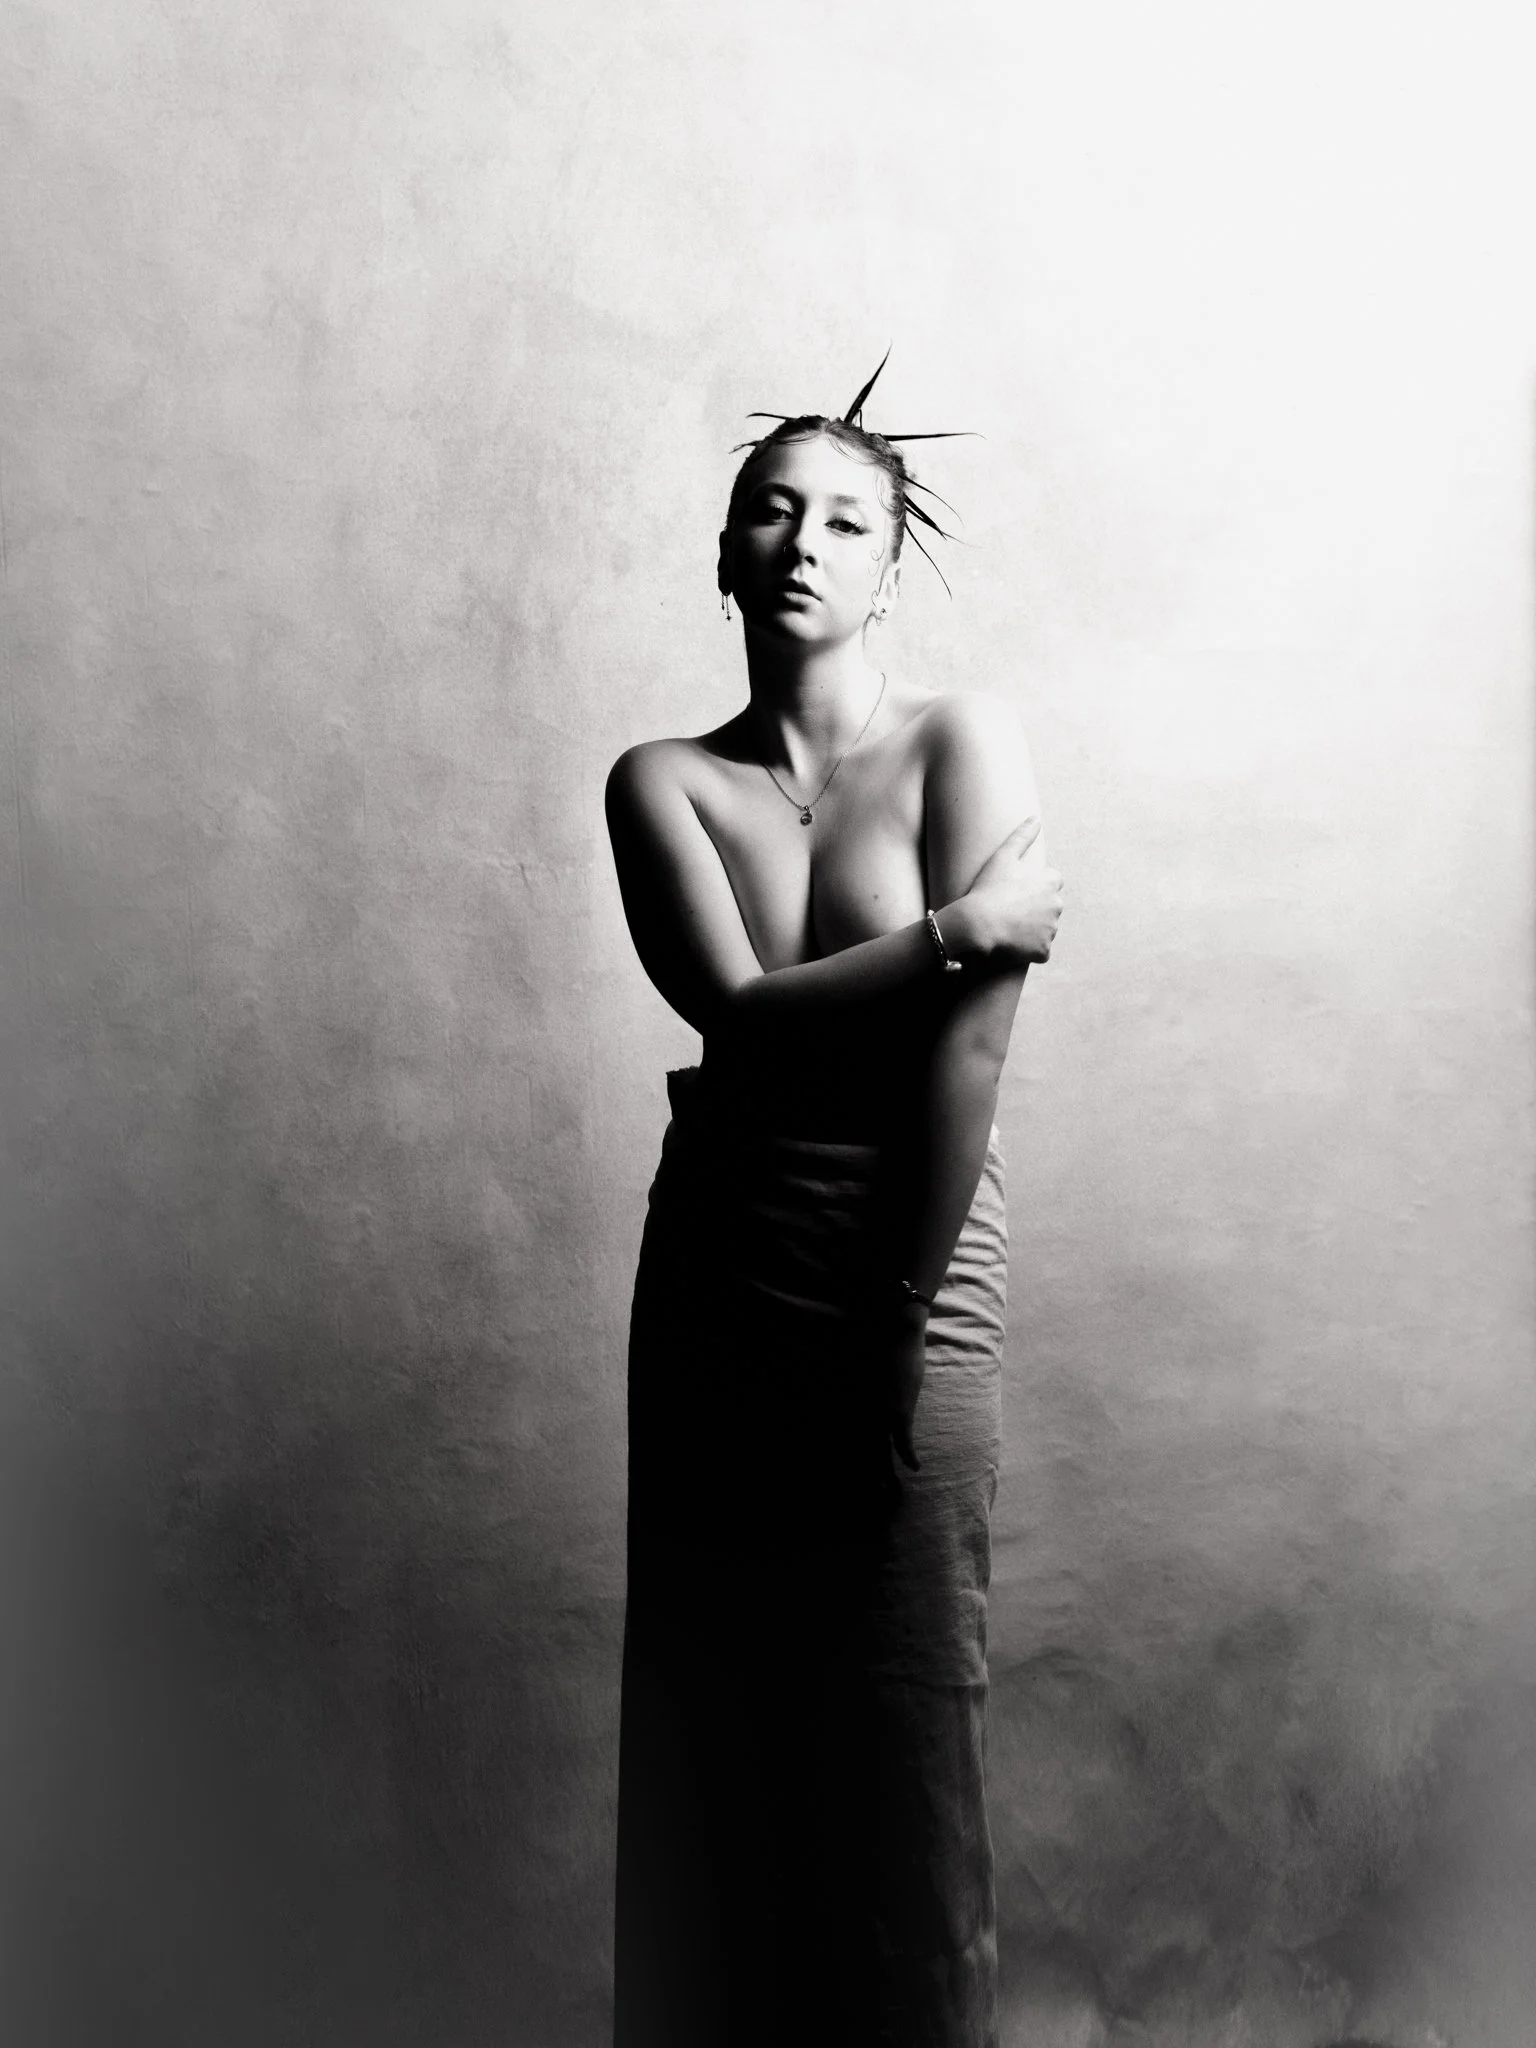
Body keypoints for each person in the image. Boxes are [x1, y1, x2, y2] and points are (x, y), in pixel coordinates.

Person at [605, 363, 1064, 2048]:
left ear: (891, 569)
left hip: (917, 1261)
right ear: (727, 553)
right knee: (719, 1712)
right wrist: (957, 928)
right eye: (777, 510)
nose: (808, 539)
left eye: (849, 518)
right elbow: (732, 1010)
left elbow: (970, 1058)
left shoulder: (963, 737)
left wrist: (892, 1316)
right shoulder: (659, 779)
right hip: (725, 1262)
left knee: (905, 1725)